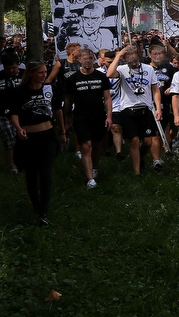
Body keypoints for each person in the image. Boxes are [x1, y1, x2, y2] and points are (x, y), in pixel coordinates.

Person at [11, 60, 66, 225]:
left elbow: (58, 110)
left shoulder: (50, 89)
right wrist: (18, 127)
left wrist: (62, 131)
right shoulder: (19, 92)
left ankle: (44, 212)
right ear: (30, 74)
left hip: (47, 136)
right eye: (40, 72)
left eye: (45, 72)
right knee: (31, 174)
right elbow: (13, 112)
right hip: (27, 138)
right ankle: (36, 205)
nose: (44, 75)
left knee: (46, 173)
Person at [106, 46, 164, 174]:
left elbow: (155, 90)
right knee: (134, 140)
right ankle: (137, 173)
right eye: (129, 59)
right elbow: (109, 74)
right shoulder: (121, 69)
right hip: (128, 109)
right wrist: (118, 55)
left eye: (135, 58)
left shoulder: (148, 69)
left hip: (145, 108)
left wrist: (158, 108)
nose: (133, 62)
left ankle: (141, 158)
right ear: (125, 59)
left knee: (148, 141)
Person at [63, 48, 112, 188]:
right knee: (86, 146)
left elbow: (107, 98)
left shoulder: (101, 76)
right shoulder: (72, 79)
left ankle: (94, 168)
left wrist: (109, 117)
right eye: (84, 58)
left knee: (97, 145)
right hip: (80, 117)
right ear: (79, 60)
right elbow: (68, 101)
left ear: (94, 59)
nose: (87, 61)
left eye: (90, 58)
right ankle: (90, 179)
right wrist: (66, 120)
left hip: (98, 116)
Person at [0, 51, 24, 174]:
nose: (11, 71)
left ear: (18, 65)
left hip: (23, 112)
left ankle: (24, 161)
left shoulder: (25, 76)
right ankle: (12, 165)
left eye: (14, 68)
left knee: (24, 137)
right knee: (9, 139)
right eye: (8, 68)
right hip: (4, 113)